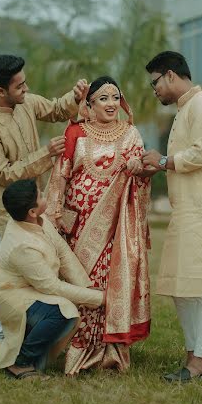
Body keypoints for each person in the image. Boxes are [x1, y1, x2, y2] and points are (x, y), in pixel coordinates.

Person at [142, 51, 202, 382]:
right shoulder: (186, 109)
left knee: (201, 288)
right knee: (180, 285)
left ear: (170, 75)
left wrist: (162, 161)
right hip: (187, 213)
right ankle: (193, 355)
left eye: (155, 82)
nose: (154, 89)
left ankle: (198, 363)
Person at [0, 54, 86, 338]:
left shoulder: (26, 103)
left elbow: (57, 109)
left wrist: (75, 95)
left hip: (38, 209)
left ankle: (36, 336)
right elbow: (5, 174)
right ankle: (1, 339)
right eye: (19, 86)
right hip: (5, 216)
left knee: (44, 273)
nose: (26, 89)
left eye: (25, 83)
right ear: (0, 91)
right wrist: (47, 153)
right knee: (6, 280)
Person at [0, 179, 105, 379]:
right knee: (64, 312)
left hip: (31, 292)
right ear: (31, 211)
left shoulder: (39, 220)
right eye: (40, 195)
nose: (44, 196)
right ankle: (18, 364)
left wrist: (88, 286)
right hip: (12, 297)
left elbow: (63, 253)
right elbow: (52, 286)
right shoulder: (22, 244)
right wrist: (97, 298)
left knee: (59, 319)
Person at [46, 76, 151, 375]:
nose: (111, 104)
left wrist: (138, 169)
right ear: (88, 104)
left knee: (110, 284)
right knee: (82, 284)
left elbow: (142, 175)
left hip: (116, 226)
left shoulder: (131, 134)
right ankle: (79, 347)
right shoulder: (75, 133)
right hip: (78, 225)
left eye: (115, 97)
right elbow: (59, 177)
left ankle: (111, 352)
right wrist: (53, 216)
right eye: (103, 98)